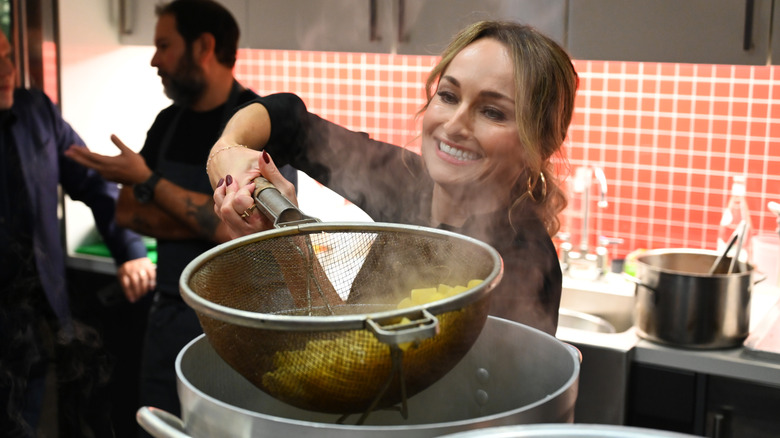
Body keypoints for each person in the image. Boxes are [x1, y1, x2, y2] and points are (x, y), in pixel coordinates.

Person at [207, 21, 578, 335]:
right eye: (448, 95)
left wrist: (291, 247)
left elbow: (378, 377)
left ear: (539, 144)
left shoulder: (521, 263)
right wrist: (226, 151)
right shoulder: (407, 180)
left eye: (493, 112)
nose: (453, 125)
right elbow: (288, 120)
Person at [63, 0, 297, 429]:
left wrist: (151, 182)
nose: (154, 59)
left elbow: (255, 236)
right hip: (168, 320)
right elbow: (130, 213)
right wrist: (209, 223)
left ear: (204, 46)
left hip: (238, 330)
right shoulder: (167, 123)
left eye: (164, 45)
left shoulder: (258, 129)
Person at [0, 28, 155, 437]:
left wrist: (130, 249)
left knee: (31, 420)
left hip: (35, 313)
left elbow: (94, 182)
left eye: (9, 56)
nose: (7, 70)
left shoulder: (37, 112)